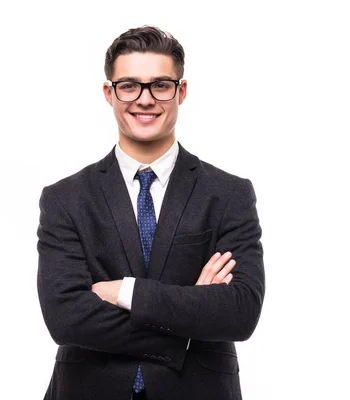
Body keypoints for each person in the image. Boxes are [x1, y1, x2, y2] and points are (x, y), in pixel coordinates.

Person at [37, 25, 265, 400]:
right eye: (129, 86)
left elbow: (239, 312)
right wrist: (188, 324)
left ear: (181, 91)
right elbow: (67, 318)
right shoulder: (65, 198)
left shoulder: (228, 195)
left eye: (160, 85)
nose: (145, 99)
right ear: (109, 93)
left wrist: (126, 291)